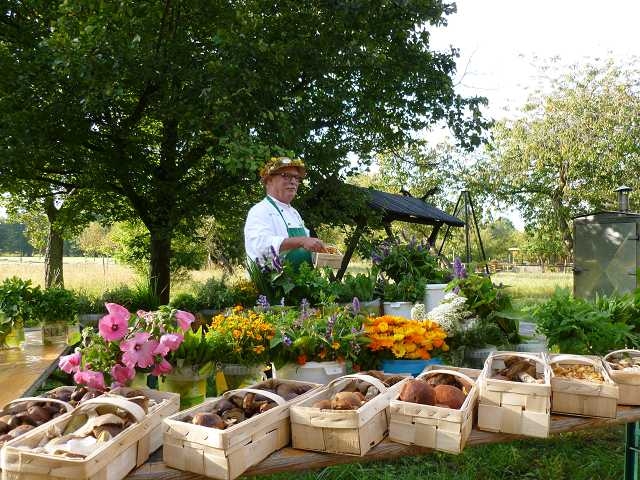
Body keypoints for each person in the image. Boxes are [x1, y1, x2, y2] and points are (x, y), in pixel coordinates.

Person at [244, 156, 326, 269]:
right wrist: (302, 241)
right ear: (269, 180)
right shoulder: (260, 210)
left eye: (296, 177)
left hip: (303, 282)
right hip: (271, 284)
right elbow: (261, 246)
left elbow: (304, 248)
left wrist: (321, 253)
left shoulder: (294, 213)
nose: (293, 181)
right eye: (286, 176)